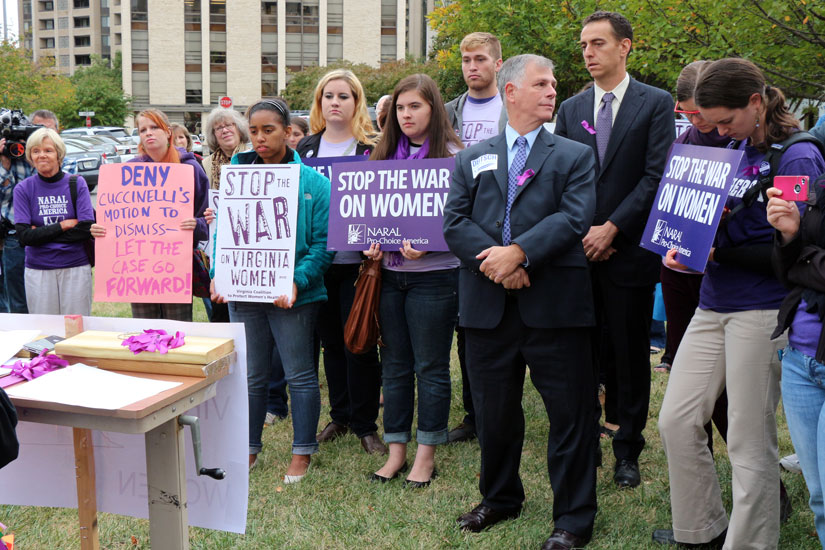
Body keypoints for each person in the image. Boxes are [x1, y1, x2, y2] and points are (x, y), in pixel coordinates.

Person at [653, 57, 825, 549]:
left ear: (755, 103)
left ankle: (751, 543)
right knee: (677, 420)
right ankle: (701, 531)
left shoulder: (796, 158)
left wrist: (716, 248)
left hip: (763, 308)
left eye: (725, 120)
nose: (717, 130)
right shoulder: (730, 145)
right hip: (713, 301)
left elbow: (798, 250)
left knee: (750, 441)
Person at [444, 53, 598, 550]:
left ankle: (573, 519)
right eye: (541, 84)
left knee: (571, 415)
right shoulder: (472, 156)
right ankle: (500, 498)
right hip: (488, 307)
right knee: (494, 413)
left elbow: (574, 219)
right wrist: (498, 264)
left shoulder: (575, 156)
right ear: (511, 91)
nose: (553, 91)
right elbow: (454, 223)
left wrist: (520, 254)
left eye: (553, 84)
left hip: (555, 306)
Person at [554, 10, 675, 488]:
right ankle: (586, 443)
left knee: (628, 353)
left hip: (627, 254)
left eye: (599, 43)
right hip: (579, 253)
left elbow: (654, 175)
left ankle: (629, 447)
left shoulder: (655, 102)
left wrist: (613, 228)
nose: (588, 53)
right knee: (580, 353)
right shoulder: (571, 109)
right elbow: (563, 177)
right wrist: (586, 231)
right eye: (584, 44)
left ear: (625, 46)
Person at [211, 98, 334, 480]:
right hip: (244, 293)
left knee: (299, 374)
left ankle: (302, 450)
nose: (261, 138)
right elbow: (224, 236)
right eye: (255, 130)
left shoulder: (314, 183)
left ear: (287, 132)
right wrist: (219, 273)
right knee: (250, 375)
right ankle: (248, 447)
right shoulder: (236, 176)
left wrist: (296, 281)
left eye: (270, 130)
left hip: (293, 296)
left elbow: (323, 245)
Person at [363, 74, 463, 487]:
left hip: (436, 279)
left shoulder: (457, 157)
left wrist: (431, 243)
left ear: (434, 109)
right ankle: (396, 450)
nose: (406, 115)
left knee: (432, 366)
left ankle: (426, 454)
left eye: (415, 106)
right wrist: (368, 242)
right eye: (401, 107)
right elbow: (364, 215)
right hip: (389, 278)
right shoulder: (381, 156)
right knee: (396, 367)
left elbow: (465, 221)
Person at [296, 69, 385, 454]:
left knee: (360, 343)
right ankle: (341, 415)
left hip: (356, 264)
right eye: (328, 96)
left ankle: (366, 424)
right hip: (318, 265)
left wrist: (380, 239)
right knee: (331, 345)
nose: (335, 102)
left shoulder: (373, 148)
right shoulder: (305, 150)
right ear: (319, 103)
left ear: (356, 102)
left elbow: (385, 202)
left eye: (344, 96)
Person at [443, 31, 506, 445]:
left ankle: (498, 410)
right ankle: (473, 414)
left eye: (480, 59)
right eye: (466, 60)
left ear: (498, 64)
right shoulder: (448, 111)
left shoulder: (512, 106)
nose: (472, 67)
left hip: (503, 228)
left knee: (496, 331)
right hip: (458, 229)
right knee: (466, 331)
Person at [90, 109, 209, 321]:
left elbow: (209, 219)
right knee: (145, 330)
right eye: (143, 129)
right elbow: (114, 215)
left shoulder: (190, 168)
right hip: (138, 265)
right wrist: (100, 228)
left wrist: (196, 224)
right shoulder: (128, 172)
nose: (149, 133)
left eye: (154, 127)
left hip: (175, 264)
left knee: (178, 330)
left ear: (168, 132)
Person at [768, 142, 825, 547]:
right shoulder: (819, 187)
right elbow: (786, 274)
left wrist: (801, 251)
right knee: (819, 495)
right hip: (800, 357)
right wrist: (788, 234)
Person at [0, 109, 76, 314]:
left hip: (58, 240)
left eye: (48, 132)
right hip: (16, 237)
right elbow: (7, 199)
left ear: (58, 133)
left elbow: (71, 204)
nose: (42, 141)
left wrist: (41, 231)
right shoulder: (13, 156)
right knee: (18, 303)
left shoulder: (67, 162)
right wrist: (4, 164)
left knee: (57, 304)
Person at [12, 128, 94, 315]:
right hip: (39, 269)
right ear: (30, 156)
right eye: (36, 151)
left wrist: (40, 234)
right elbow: (24, 237)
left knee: (75, 329)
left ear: (59, 154)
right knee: (44, 332)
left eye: (48, 150)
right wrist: (63, 225)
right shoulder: (23, 189)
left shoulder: (76, 183)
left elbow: (85, 229)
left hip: (75, 266)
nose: (42, 155)